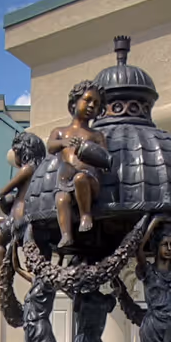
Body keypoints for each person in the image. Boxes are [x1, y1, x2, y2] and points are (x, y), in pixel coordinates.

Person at [50, 80, 111, 252]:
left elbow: (105, 159)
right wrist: (64, 142)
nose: (92, 105)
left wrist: (87, 150)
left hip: (89, 179)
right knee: (61, 199)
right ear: (74, 102)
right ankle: (67, 234)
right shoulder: (60, 131)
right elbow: (50, 146)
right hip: (65, 179)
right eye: (88, 100)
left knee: (80, 178)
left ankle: (86, 215)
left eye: (97, 104)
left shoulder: (96, 135)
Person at [0, 130, 47, 267]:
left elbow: (6, 189)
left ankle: (4, 270)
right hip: (31, 213)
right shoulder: (41, 168)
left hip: (19, 217)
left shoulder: (27, 169)